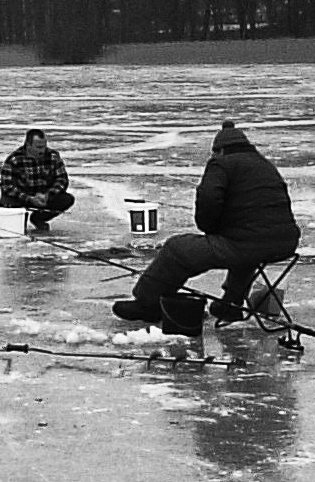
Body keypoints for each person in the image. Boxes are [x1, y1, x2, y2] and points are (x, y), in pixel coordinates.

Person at [112, 120, 300, 334]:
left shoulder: (222, 164)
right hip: (284, 243)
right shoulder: (264, 165)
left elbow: (209, 200)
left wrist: (210, 229)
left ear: (219, 150)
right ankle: (230, 304)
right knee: (246, 248)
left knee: (176, 248)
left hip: (247, 244)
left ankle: (146, 304)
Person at [0, 129, 76, 227]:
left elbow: (62, 180)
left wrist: (48, 195)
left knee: (66, 199)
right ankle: (17, 223)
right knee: (8, 203)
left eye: (44, 146)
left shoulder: (53, 156)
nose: (42, 150)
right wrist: (29, 198)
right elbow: (7, 186)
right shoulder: (14, 159)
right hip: (20, 197)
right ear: (28, 145)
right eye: (39, 147)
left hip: (43, 197)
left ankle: (38, 218)